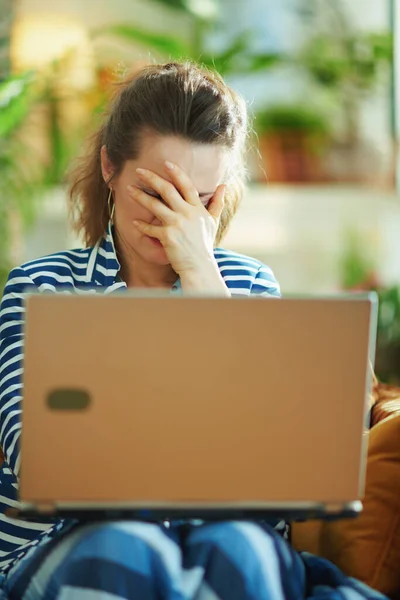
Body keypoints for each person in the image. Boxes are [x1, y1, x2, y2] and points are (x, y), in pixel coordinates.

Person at [0, 61, 386, 599]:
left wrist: (203, 275)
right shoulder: (41, 285)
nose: (174, 219)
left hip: (223, 528)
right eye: (156, 193)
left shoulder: (249, 284)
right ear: (110, 167)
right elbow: (32, 453)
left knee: (241, 549)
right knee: (127, 548)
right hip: (70, 539)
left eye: (199, 201)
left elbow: (271, 456)